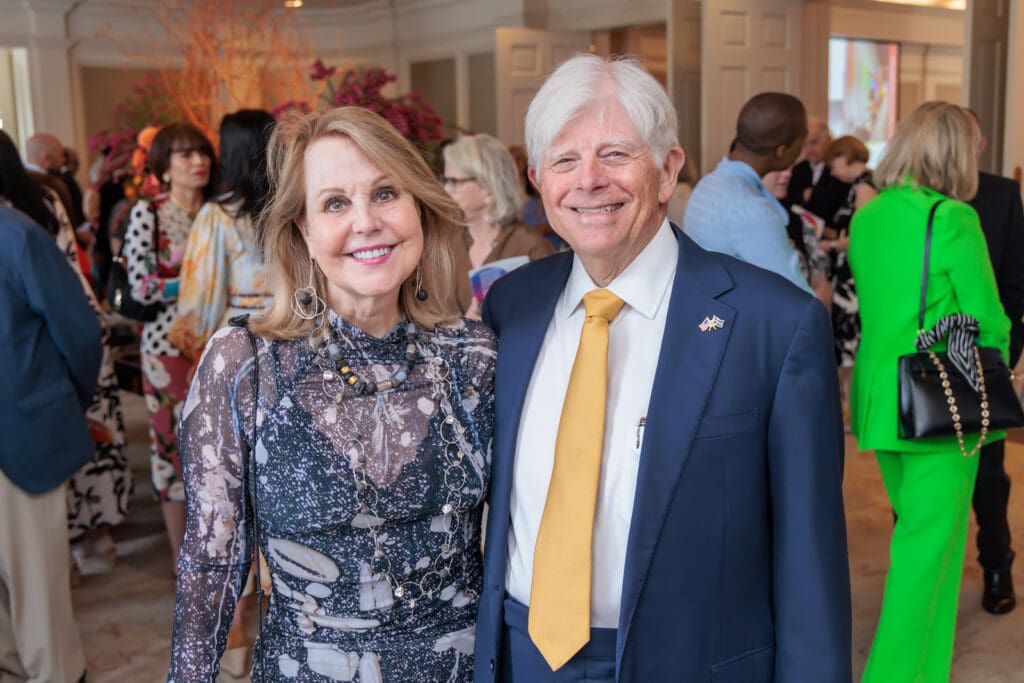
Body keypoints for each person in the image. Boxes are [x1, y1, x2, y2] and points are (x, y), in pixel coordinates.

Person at [474, 53, 850, 682]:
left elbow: (810, 566)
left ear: (669, 168)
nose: (588, 181)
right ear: (538, 178)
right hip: (522, 655)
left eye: (615, 154)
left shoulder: (773, 325)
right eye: (565, 160)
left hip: (693, 664)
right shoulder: (512, 306)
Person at [168, 106, 497, 681]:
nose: (366, 222)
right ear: (303, 228)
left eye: (386, 193)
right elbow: (211, 562)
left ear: (418, 206)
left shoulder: (473, 356)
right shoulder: (245, 365)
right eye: (335, 203)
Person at [849, 101, 1010, 683]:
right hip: (941, 405)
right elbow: (988, 320)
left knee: (927, 552)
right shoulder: (952, 219)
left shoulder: (869, 216)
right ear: (954, 152)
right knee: (923, 560)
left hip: (879, 401)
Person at [166, 108, 276, 677]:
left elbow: (196, 311)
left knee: (226, 521)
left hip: (236, 374)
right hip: (299, 373)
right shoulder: (296, 207)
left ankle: (233, 661)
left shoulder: (217, 217)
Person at [0, 129, 132, 577]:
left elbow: (74, 326)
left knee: (39, 597)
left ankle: (91, 537)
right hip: (38, 395)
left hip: (35, 397)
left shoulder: (20, 228)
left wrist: (64, 394)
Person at [0, 203, 103, 683]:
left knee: (36, 587)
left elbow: (80, 333)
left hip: (21, 433)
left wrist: (64, 404)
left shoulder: (17, 235)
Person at [122, 122, 217, 575]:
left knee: (215, 448)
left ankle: (220, 557)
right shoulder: (150, 213)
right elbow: (139, 287)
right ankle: (185, 564)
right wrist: (195, 281)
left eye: (201, 152)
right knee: (171, 450)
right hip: (166, 349)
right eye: (184, 155)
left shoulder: (218, 211)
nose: (197, 161)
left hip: (217, 343)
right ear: (164, 166)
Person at [962, 107, 1024, 615]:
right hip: (921, 365)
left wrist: (1005, 356)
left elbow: (1015, 282)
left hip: (985, 362)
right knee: (920, 487)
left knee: (989, 478)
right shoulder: (906, 201)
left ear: (979, 144)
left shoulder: (1003, 194)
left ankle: (997, 566)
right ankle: (923, 574)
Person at [684, 93, 813, 292]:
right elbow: (796, 295)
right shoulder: (752, 209)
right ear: (781, 151)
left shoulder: (707, 184)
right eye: (801, 143)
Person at [443, 134, 554, 317]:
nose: (446, 189)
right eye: (445, 180)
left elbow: (547, 322)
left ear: (488, 187)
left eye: (454, 182)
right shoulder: (445, 244)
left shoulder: (531, 248)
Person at [822, 135, 878, 428]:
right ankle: (849, 410)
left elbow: (862, 236)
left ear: (846, 157)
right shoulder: (858, 186)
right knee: (846, 339)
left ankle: (853, 411)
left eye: (834, 163)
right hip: (847, 274)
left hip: (853, 277)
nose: (832, 171)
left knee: (850, 339)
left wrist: (829, 246)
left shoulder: (865, 187)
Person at [762, 165, 831, 306]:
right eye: (780, 167)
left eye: (789, 168)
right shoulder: (741, 225)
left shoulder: (797, 220)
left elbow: (820, 280)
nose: (787, 174)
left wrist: (817, 321)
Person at [785, 116, 850, 222]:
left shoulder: (842, 170)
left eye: (814, 142)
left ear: (829, 139)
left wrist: (813, 195)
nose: (809, 150)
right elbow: (788, 201)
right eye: (805, 144)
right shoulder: (797, 170)